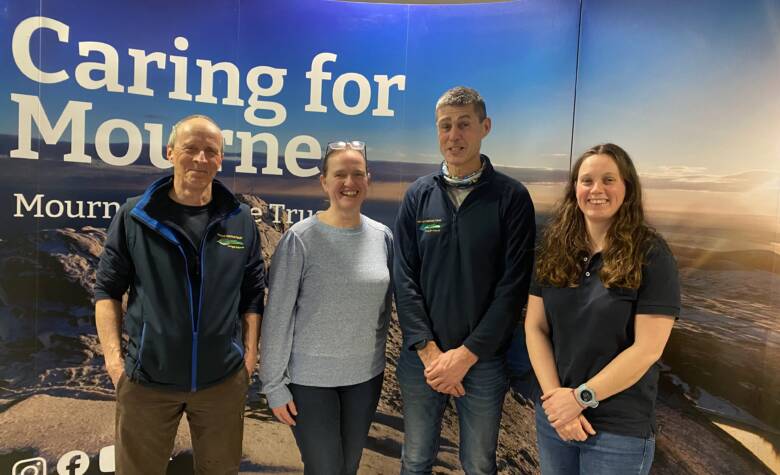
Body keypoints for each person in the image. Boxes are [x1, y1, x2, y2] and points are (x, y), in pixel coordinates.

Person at [94, 115, 265, 475]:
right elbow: (107, 291)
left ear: (221, 160)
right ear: (171, 152)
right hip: (146, 383)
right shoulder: (135, 216)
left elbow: (252, 294)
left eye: (211, 151)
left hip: (222, 382)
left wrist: (248, 357)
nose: (201, 159)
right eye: (191, 148)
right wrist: (114, 363)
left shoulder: (240, 220)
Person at [393, 86, 536, 474]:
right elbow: (404, 278)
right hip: (422, 360)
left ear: (484, 127)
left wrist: (466, 356)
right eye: (445, 126)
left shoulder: (511, 198)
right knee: (416, 458)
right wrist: (430, 353)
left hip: (484, 362)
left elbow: (513, 288)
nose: (453, 136)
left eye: (464, 125)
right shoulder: (418, 196)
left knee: (477, 463)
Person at [525, 143, 680, 475]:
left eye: (609, 179)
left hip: (617, 431)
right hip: (556, 419)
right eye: (587, 181)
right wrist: (557, 401)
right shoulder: (553, 248)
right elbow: (535, 327)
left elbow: (647, 349)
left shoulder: (651, 254)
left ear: (627, 187)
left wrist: (579, 399)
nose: (597, 189)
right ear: (575, 190)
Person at [259, 140, 393, 475]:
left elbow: (384, 309)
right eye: (340, 174)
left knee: (347, 468)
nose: (350, 182)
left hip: (365, 377)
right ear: (324, 181)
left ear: (368, 179)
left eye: (358, 174)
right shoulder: (300, 239)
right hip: (310, 381)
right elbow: (278, 316)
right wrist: (274, 385)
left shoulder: (382, 237)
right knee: (325, 469)